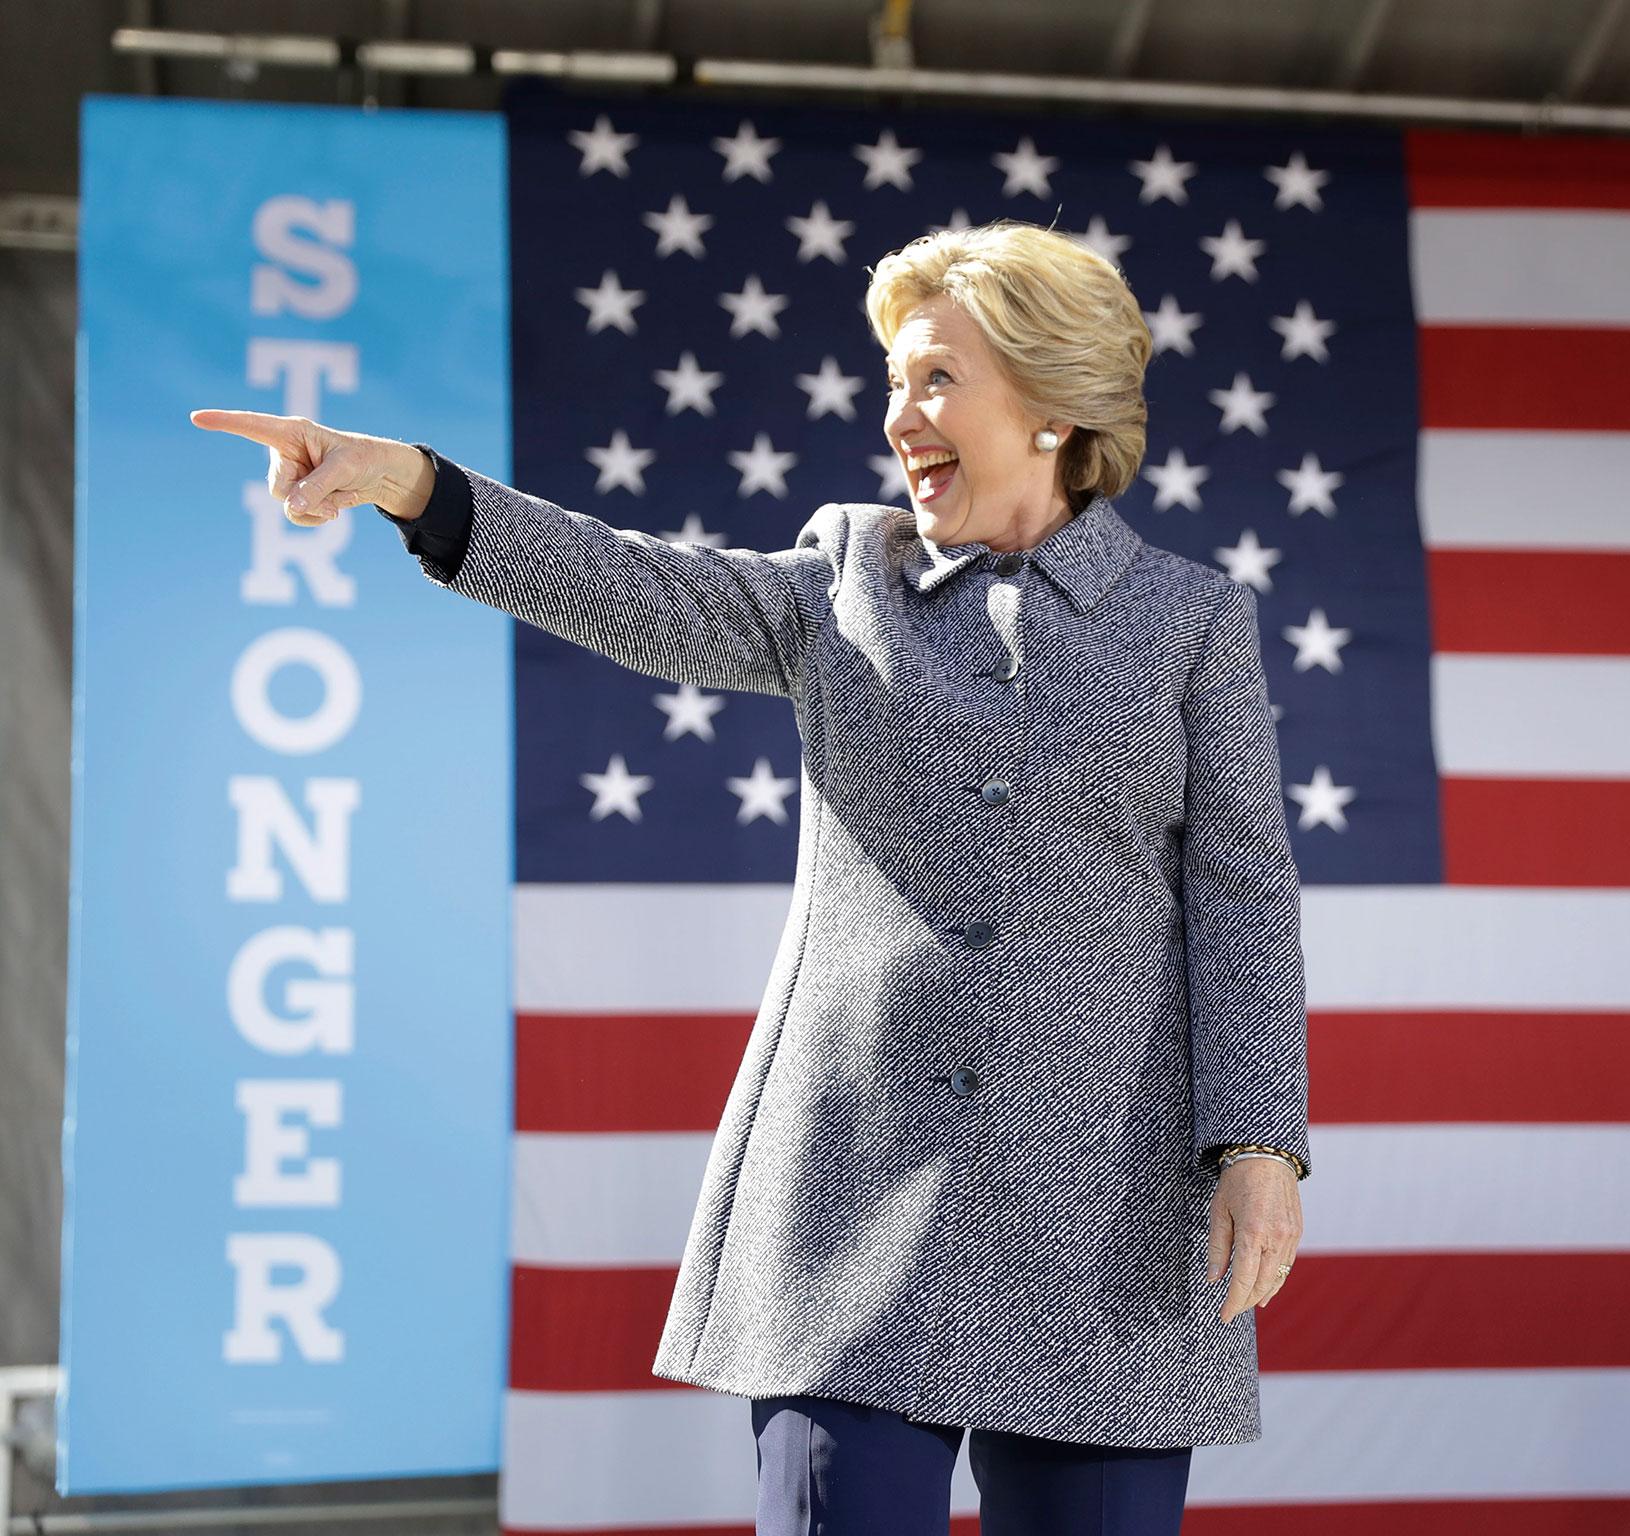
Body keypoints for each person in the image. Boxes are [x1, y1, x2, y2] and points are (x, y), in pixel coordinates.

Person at [192, 218, 1310, 1536]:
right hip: (849, 1211)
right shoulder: (845, 574)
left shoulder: (1191, 624)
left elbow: (1243, 896)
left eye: (936, 378)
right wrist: (418, 489)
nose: (900, 415)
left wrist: (1259, 1145)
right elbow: (629, 587)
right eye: (895, 381)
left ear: (1053, 406)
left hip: (1106, 1223)